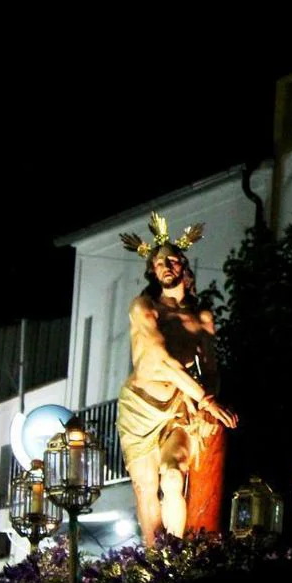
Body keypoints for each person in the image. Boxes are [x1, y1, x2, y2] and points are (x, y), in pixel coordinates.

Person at [117, 213, 237, 541]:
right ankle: (155, 565)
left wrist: (203, 405)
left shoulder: (202, 318)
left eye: (171, 260)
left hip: (180, 406)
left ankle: (175, 563)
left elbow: (211, 370)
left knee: (172, 476)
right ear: (152, 272)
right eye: (158, 263)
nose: (165, 266)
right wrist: (206, 398)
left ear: (183, 265)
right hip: (141, 407)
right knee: (145, 489)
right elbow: (159, 361)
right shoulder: (144, 307)